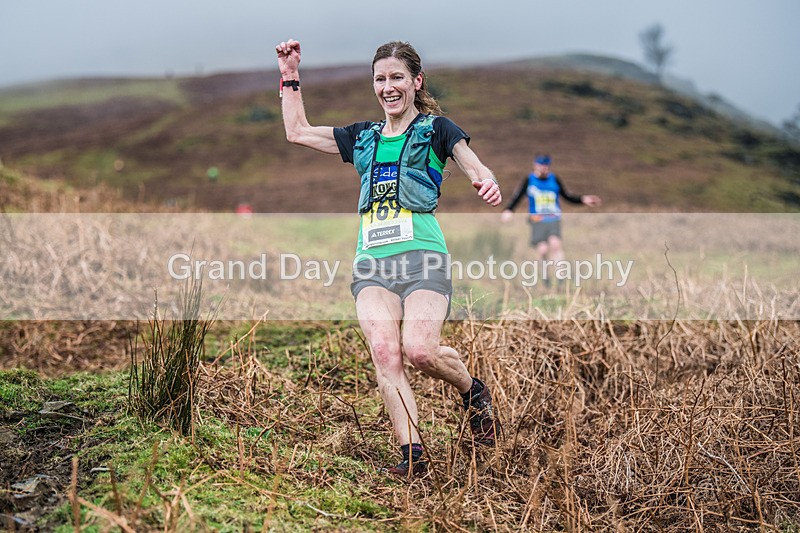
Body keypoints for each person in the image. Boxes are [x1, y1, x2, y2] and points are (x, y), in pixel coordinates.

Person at [276, 38, 502, 477]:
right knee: (385, 351)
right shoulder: (363, 137)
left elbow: (471, 161)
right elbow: (297, 131)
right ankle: (413, 456)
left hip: (423, 259)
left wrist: (485, 179)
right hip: (372, 265)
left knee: (420, 351)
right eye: (380, 79)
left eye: (397, 77)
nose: (388, 87)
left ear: (416, 82)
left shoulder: (437, 129)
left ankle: (473, 391)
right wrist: (290, 74)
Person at [501, 154, 601, 281]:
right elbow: (517, 196)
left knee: (555, 245)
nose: (544, 169)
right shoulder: (529, 180)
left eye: (546, 166)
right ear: (535, 166)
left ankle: (561, 277)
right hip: (537, 220)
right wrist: (509, 210)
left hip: (553, 219)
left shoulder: (554, 179)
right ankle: (545, 277)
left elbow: (567, 196)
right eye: (541, 166)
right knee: (543, 250)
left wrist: (583, 199)